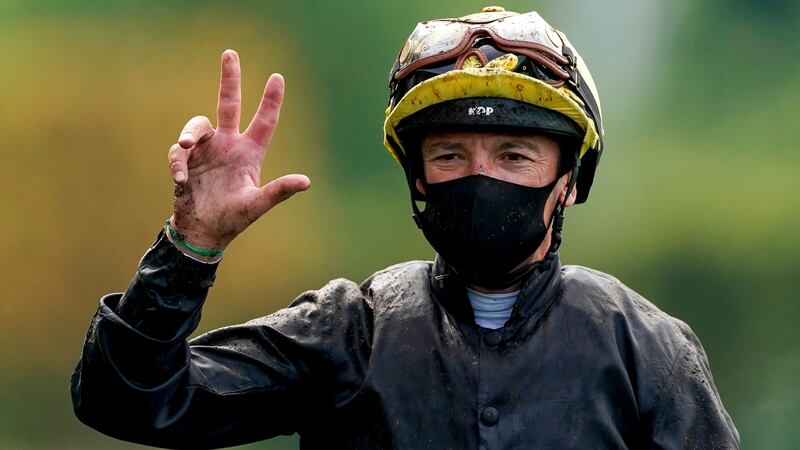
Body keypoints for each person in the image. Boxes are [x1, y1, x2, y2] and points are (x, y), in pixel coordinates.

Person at [71, 7, 740, 449]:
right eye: (450, 155)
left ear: (568, 180)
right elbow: (125, 401)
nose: (481, 178)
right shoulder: (347, 332)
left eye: (514, 156)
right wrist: (190, 246)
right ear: (417, 177)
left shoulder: (648, 351)